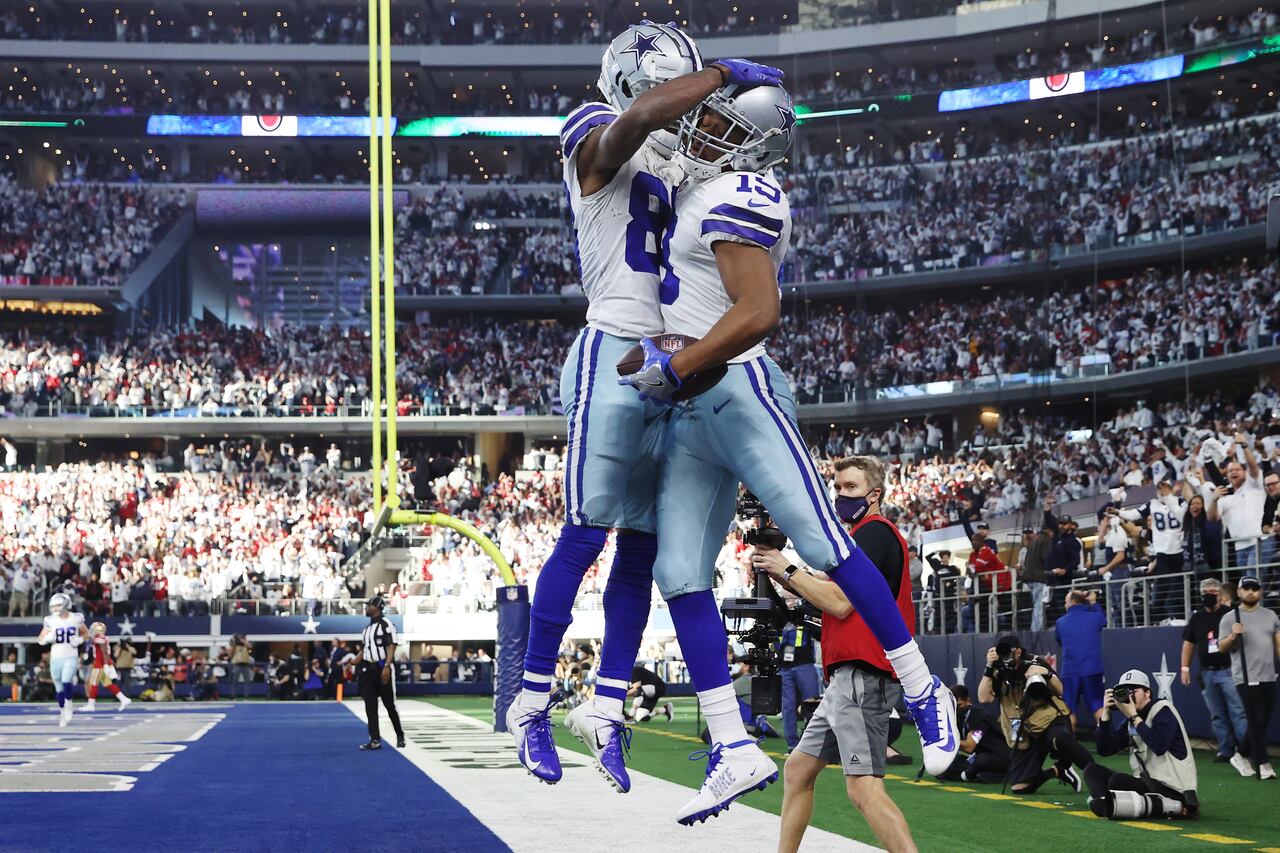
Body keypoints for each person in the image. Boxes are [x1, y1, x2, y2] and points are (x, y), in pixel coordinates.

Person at [621, 78, 956, 824]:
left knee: (824, 539)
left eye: (723, 127)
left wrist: (675, 364)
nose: (705, 134)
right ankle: (734, 744)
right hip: (690, 405)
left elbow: (759, 310)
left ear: (758, 146)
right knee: (678, 574)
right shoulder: (699, 187)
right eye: (707, 122)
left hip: (737, 388)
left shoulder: (743, 190)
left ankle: (922, 686)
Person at [506, 21, 779, 798]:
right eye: (678, 91)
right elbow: (640, 118)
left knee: (641, 548)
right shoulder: (598, 126)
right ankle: (529, 702)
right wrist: (718, 73)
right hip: (612, 343)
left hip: (672, 358)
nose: (690, 109)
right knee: (585, 529)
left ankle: (604, 709)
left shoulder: (684, 158)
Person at [755, 455, 918, 853]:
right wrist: (784, 576)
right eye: (839, 487)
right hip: (848, 678)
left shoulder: (874, 533)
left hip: (864, 673)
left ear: (874, 494)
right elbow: (829, 593)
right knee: (798, 770)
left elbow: (840, 602)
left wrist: (786, 570)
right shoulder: (863, 538)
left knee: (863, 790)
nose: (842, 494)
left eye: (851, 487)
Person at [977, 634, 1095, 794]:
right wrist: (989, 667)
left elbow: (1061, 690)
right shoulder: (998, 670)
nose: (1005, 656)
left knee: (1061, 739)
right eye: (1001, 652)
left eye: (1008, 651)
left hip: (1048, 719)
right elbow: (984, 698)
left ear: (1018, 651)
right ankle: (1057, 771)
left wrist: (1046, 674)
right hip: (1022, 729)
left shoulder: (1034, 663)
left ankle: (1097, 775)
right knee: (1019, 787)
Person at [1085, 670, 1199, 821]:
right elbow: (1105, 749)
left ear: (1147, 693)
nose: (1129, 696)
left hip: (1174, 789)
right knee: (1092, 770)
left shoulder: (1162, 709)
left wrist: (1134, 717)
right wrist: (1105, 714)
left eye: (1133, 691)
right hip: (1148, 784)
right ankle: (1109, 803)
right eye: (1124, 692)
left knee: (1118, 781)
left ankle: (1110, 804)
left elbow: (1159, 746)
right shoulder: (1132, 722)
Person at [1180, 577, 1251, 773]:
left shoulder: (1230, 615)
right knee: (1217, 715)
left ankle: (1246, 751)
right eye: (1205, 593)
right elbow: (1188, 643)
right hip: (1208, 672)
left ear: (1220, 595)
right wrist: (1184, 668)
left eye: (1212, 592)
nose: (1208, 596)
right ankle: (1225, 750)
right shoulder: (1197, 618)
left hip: (1229, 670)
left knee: (1238, 712)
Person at [1217, 576, 1280, 778]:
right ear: (1239, 592)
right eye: (1246, 588)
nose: (1251, 591)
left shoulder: (1270, 615)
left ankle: (1240, 754)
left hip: (1269, 675)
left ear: (1260, 591)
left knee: (1262, 721)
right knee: (1256, 719)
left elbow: (1278, 644)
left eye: (1255, 588)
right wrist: (1232, 636)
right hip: (1246, 676)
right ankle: (1263, 764)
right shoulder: (1230, 617)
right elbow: (1221, 647)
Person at [1207, 434, 1265, 574]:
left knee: (1252, 578)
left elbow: (1253, 467)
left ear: (1245, 473)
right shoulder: (1225, 497)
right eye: (1230, 471)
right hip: (1239, 547)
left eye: (1237, 469)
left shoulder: (1253, 485)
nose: (1233, 472)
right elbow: (1212, 518)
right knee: (1246, 582)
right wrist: (1213, 500)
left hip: (1256, 542)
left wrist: (1244, 446)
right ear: (1227, 476)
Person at [358, 595, 405, 750]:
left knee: (389, 704)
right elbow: (365, 649)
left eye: (369, 605)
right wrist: (354, 661)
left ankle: (399, 735)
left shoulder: (386, 624)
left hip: (381, 667)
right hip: (368, 670)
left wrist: (386, 666)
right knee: (370, 706)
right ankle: (375, 739)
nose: (366, 608)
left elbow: (391, 646)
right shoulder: (367, 629)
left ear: (377, 607)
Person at [936, 685, 1011, 783]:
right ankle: (973, 775)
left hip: (999, 757)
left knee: (980, 761)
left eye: (958, 705)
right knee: (942, 763)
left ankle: (974, 775)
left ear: (968, 700)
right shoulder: (957, 716)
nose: (955, 709)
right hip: (978, 756)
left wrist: (944, 739)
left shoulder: (978, 717)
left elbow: (969, 746)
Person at [1054, 589, 1107, 728]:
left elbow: (1059, 640)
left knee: (1068, 709)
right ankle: (1105, 738)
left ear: (1072, 602)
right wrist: (1093, 601)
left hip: (1070, 671)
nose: (1064, 605)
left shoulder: (1061, 622)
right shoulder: (1094, 617)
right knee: (1098, 706)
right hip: (1092, 669)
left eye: (1066, 601)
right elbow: (1103, 619)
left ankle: (1069, 740)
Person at [36, 592, 89, 727]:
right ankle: (62, 711)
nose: (55, 608)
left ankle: (69, 705)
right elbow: (40, 639)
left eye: (58, 605)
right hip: (55, 657)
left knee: (66, 681)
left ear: (66, 604)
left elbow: (86, 634)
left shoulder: (76, 618)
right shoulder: (50, 620)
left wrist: (80, 640)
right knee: (59, 687)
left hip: (71, 656)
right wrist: (47, 639)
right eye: (54, 606)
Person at [81, 622, 132, 712]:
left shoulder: (100, 638)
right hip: (100, 663)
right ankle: (124, 699)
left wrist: (105, 665)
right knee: (108, 684)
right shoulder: (100, 637)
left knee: (93, 683)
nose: (92, 630)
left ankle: (91, 705)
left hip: (99, 664)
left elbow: (104, 652)